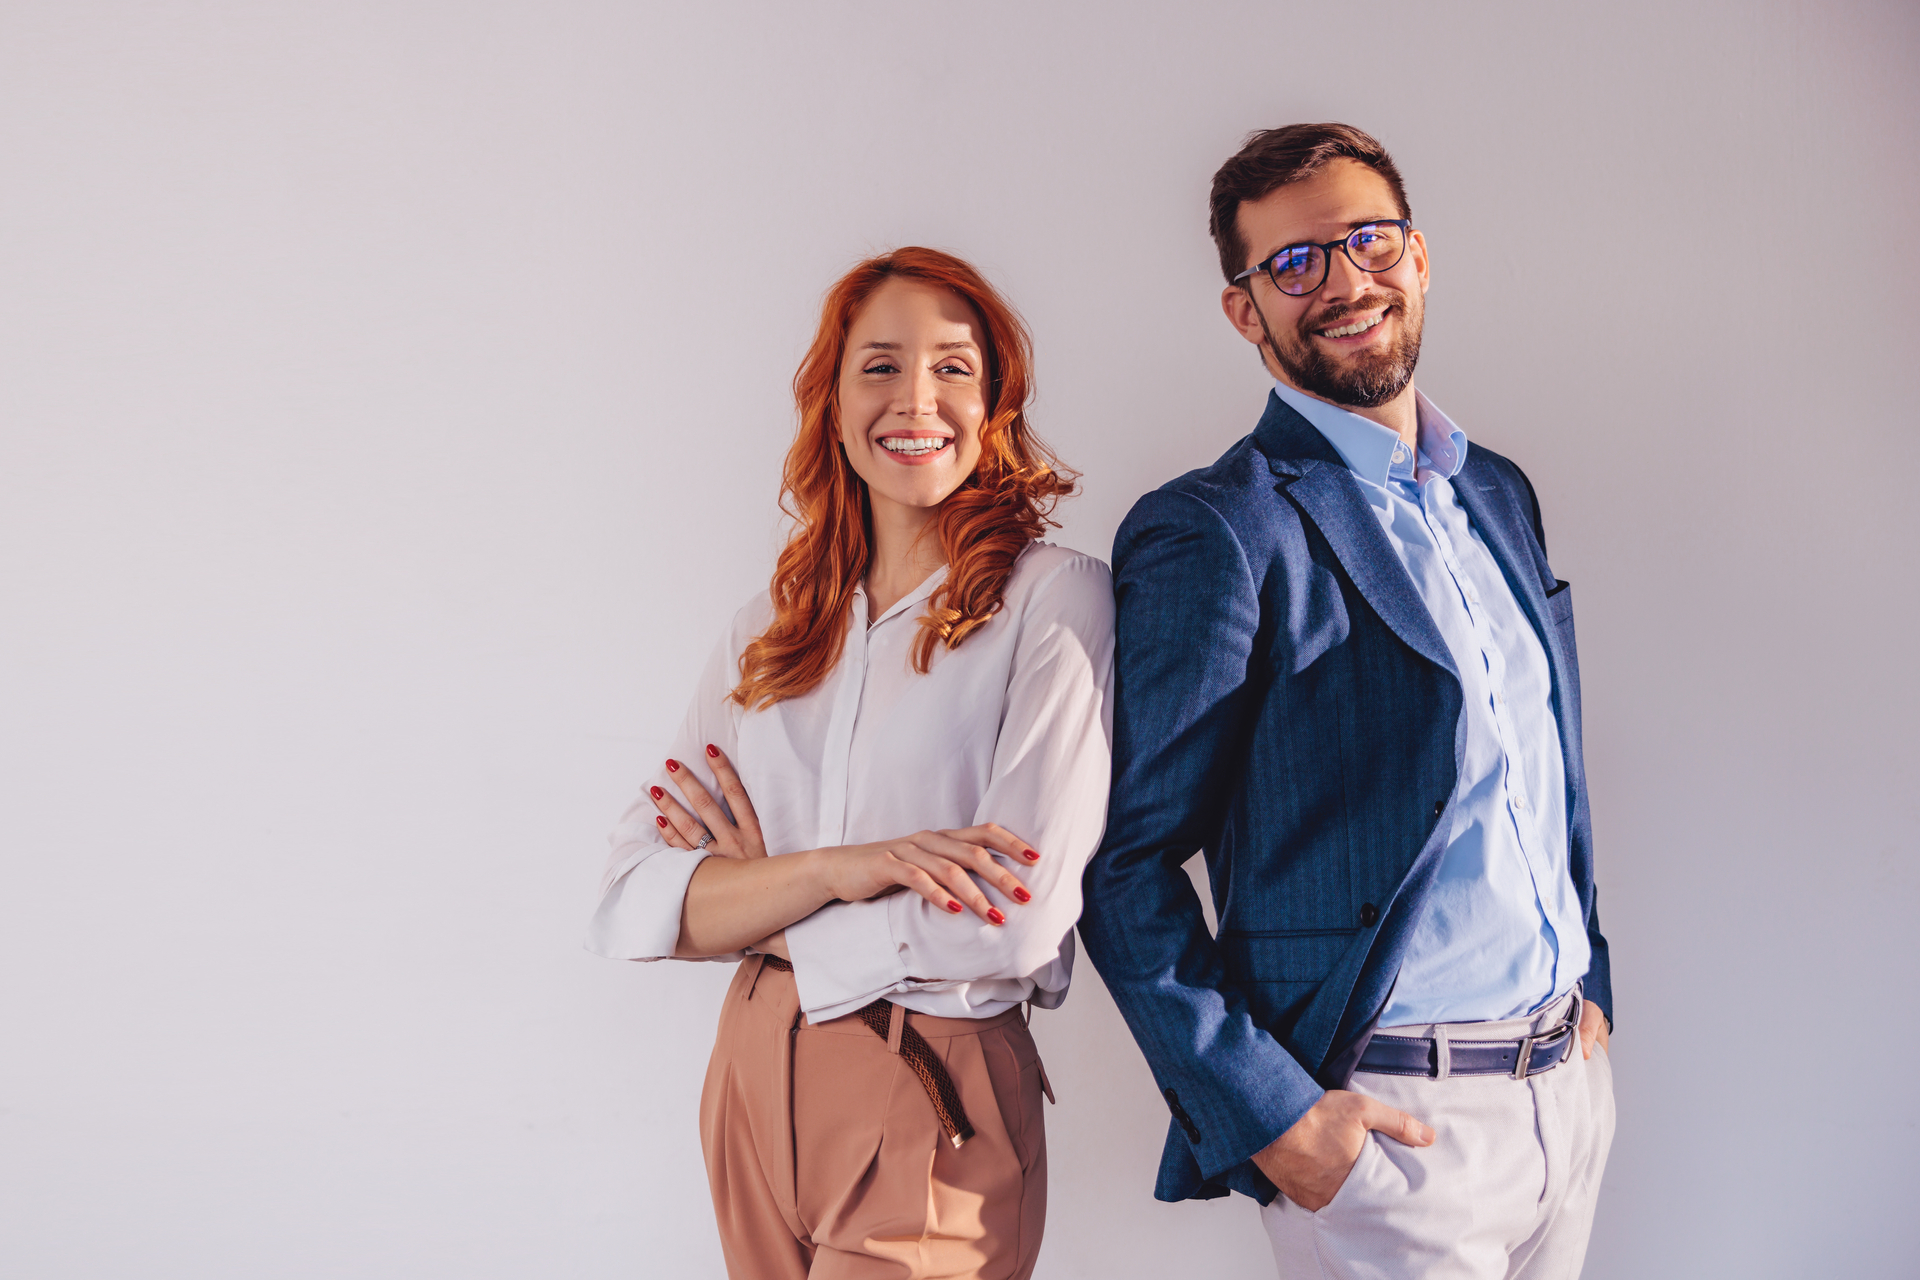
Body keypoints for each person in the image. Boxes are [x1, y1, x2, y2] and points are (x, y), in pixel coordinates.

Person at [1078, 123, 1616, 1278]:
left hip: (1565, 1097)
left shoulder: (1497, 490)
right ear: (1246, 311)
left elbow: (1545, 757)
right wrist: (1275, 1114)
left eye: (1367, 241)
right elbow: (1124, 865)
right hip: (1393, 1131)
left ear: (1419, 257)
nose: (1342, 282)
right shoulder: (1220, 529)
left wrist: (1593, 985)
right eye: (1294, 263)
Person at [585, 246, 1113, 1280]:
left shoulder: (1054, 600)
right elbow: (630, 894)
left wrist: (760, 911)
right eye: (879, 365)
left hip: (929, 1078)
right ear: (831, 401)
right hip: (747, 1076)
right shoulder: (770, 631)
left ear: (996, 402)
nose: (917, 397)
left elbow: (1018, 918)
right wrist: (841, 867)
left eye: (954, 368)